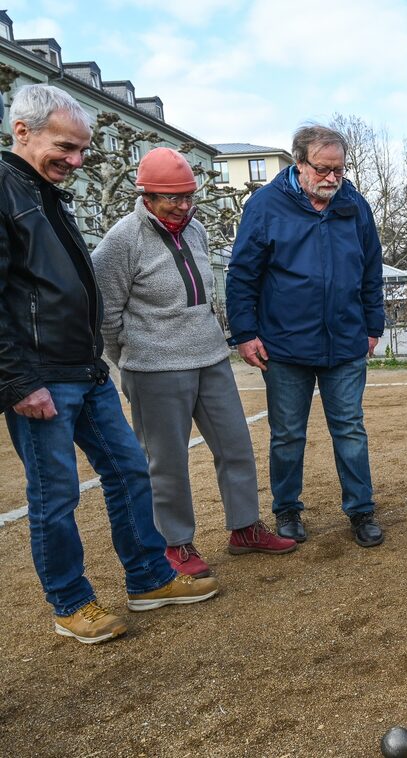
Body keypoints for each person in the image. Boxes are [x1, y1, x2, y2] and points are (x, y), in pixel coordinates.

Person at [0, 84, 218, 645]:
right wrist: (19, 380)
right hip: (40, 376)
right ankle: (71, 602)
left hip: (82, 369)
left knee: (129, 470)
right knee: (56, 496)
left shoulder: (47, 193)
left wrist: (95, 358)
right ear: (21, 131)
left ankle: (147, 577)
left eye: (80, 152)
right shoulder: (4, 191)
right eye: (65, 147)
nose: (75, 161)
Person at [92, 148, 297, 579]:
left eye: (189, 197)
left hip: (210, 358)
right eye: (172, 198)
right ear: (146, 195)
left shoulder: (197, 230)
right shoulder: (121, 241)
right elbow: (105, 314)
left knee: (236, 447)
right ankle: (175, 544)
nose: (183, 206)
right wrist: (128, 358)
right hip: (154, 367)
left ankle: (244, 528)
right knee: (165, 461)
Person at [227, 124, 386, 548]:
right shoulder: (264, 206)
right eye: (323, 169)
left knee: (350, 429)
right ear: (299, 164)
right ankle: (288, 509)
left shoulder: (355, 204)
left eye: (339, 169)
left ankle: (361, 510)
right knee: (287, 434)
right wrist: (245, 332)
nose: (333, 178)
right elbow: (243, 273)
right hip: (285, 345)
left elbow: (372, 270)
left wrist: (374, 326)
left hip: (346, 341)